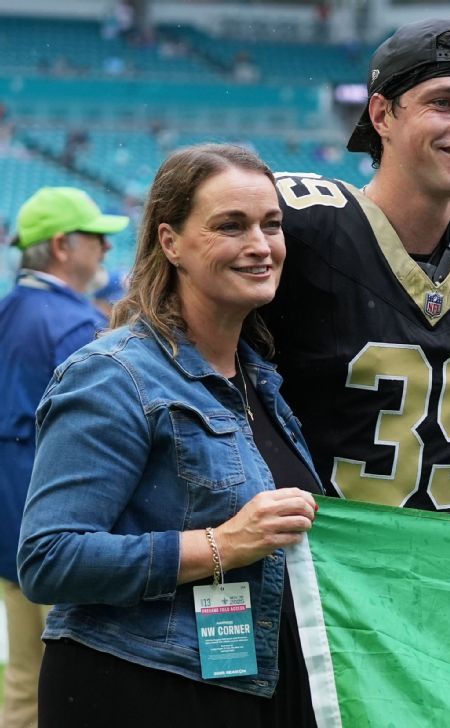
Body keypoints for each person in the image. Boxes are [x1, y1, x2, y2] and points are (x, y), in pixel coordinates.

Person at [18, 145, 320, 725]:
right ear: (170, 241)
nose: (260, 245)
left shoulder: (260, 378)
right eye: (230, 226)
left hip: (245, 686)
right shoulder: (114, 374)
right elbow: (49, 558)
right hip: (138, 689)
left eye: (271, 225)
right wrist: (223, 545)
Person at [262, 19, 450, 513]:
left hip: (428, 570)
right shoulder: (299, 226)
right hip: (300, 566)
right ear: (382, 114)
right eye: (444, 102)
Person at [0, 186, 125, 728]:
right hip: (63, 532)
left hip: (10, 530)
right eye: (95, 238)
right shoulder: (72, 324)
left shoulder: (8, 309)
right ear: (61, 246)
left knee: (25, 682)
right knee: (85, 688)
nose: (103, 249)